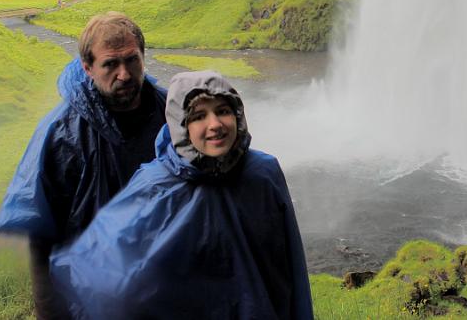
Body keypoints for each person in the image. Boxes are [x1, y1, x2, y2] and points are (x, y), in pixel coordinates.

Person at [50, 71, 313, 320]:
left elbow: (290, 263)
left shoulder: (263, 173)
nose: (215, 125)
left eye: (223, 111)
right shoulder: (156, 185)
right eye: (198, 116)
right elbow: (105, 267)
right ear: (180, 125)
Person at [0, 12, 167, 319]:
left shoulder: (173, 113)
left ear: (144, 57)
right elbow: (42, 236)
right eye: (110, 64)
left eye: (132, 60)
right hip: (91, 294)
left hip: (163, 285)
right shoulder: (61, 134)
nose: (124, 74)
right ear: (88, 68)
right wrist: (48, 311)